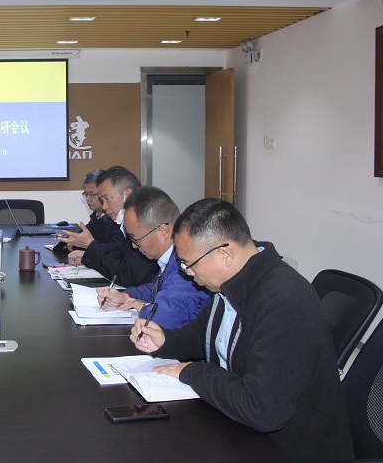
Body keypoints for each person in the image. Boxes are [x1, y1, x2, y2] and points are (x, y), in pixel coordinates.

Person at [131, 198, 353, 462]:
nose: (188, 273)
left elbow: (264, 409)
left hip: (288, 448)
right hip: (238, 426)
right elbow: (203, 335)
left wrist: (192, 372)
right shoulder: (229, 284)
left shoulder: (282, 302)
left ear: (224, 254)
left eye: (189, 264)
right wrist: (165, 340)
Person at [96, 186, 210, 329]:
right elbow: (155, 289)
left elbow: (166, 317)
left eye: (136, 239)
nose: (134, 246)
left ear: (163, 231)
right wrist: (125, 296)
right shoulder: (170, 258)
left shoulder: (186, 264)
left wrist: (140, 305)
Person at [63, 166, 157, 287]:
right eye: (102, 200)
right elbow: (120, 257)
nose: (104, 207)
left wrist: (91, 247)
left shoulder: (145, 227)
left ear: (127, 194)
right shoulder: (125, 225)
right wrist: (88, 256)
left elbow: (129, 276)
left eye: (107, 199)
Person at [56, 169, 121, 255]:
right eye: (86, 194)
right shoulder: (97, 215)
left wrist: (89, 245)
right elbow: (84, 236)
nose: (87, 199)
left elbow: (115, 249)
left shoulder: (116, 218)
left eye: (92, 194)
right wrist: (72, 241)